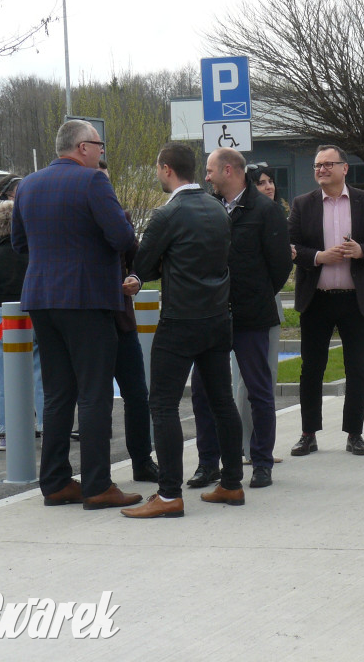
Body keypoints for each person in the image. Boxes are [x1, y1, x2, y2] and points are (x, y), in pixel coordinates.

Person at [11, 119, 141, 511]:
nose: (102, 152)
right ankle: (98, 484)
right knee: (95, 393)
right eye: (99, 145)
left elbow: (19, 243)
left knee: (57, 393)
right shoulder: (93, 182)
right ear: (83, 147)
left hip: (42, 299)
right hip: (87, 298)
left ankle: (55, 482)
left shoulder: (28, 184)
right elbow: (122, 238)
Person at [122, 142, 246, 518]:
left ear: (165, 169)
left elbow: (142, 265)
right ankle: (232, 484)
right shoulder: (217, 208)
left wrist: (135, 277)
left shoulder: (167, 214)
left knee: (162, 404)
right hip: (216, 318)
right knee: (222, 401)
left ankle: (169, 494)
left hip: (179, 321)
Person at [187, 148, 292, 489]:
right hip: (212, 316)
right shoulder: (208, 207)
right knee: (203, 393)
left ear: (228, 170)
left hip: (250, 317)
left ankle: (261, 461)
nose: (206, 177)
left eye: (210, 171)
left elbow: (279, 266)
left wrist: (255, 296)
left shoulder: (265, 211)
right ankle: (208, 463)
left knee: (257, 391)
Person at [288, 145, 364, 457]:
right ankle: (309, 433)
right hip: (317, 300)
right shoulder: (303, 204)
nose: (321, 170)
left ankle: (355, 434)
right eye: (317, 165)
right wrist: (319, 257)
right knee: (311, 369)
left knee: (357, 369)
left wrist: (362, 251)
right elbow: (290, 245)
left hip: (355, 300)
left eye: (328, 164)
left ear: (345, 168)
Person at [97, 159, 159, 484]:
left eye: (105, 182)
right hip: (91, 322)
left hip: (122, 320)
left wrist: (135, 277)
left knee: (137, 394)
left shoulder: (121, 219)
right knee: (97, 399)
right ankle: (99, 471)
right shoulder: (81, 220)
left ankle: (142, 460)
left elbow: (138, 259)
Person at [0, 200, 44, 450]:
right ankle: (46, 426)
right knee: (41, 373)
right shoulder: (35, 256)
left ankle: (5, 431)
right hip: (34, 314)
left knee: (3, 377)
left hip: (3, 317)